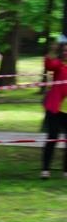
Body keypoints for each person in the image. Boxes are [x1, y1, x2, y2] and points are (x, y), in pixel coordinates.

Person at [41, 41, 67, 179]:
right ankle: (45, 170)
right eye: (64, 50)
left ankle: (66, 170)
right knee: (52, 138)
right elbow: (49, 65)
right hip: (55, 108)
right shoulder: (59, 64)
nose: (66, 52)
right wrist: (52, 50)